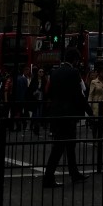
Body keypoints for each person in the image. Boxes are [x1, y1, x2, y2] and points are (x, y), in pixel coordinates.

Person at [43, 47, 92, 187]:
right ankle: (49, 177)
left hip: (56, 113)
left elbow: (50, 93)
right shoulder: (74, 72)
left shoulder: (54, 72)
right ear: (75, 60)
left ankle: (74, 172)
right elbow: (79, 96)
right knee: (61, 146)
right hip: (68, 114)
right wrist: (90, 112)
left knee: (68, 145)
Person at [87, 65, 103, 141]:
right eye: (101, 72)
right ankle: (95, 138)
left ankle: (100, 138)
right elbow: (90, 94)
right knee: (96, 123)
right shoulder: (93, 82)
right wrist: (89, 104)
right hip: (96, 104)